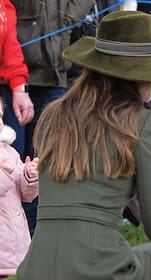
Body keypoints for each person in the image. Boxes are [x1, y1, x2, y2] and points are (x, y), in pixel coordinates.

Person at [16, 11, 151, 280]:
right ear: (140, 76)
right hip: (95, 269)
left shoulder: (53, 114)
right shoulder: (144, 120)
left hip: (36, 269)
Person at [11, 0, 94, 236]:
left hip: (55, 69)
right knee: (13, 158)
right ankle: (18, 230)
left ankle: (43, 225)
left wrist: (66, 20)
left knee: (50, 153)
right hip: (12, 70)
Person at [0, 97, 38, 280]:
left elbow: (24, 195)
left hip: (11, 236)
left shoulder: (9, 151)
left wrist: (29, 175)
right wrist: (4, 174)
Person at [0, 0, 34, 156]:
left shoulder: (5, 7)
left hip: (5, 91)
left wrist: (20, 90)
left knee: (13, 156)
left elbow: (11, 49)